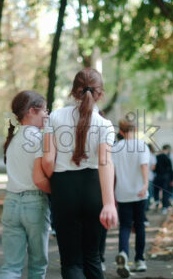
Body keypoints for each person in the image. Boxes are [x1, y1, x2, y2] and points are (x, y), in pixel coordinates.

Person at [42, 68, 118, 279]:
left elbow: (48, 160)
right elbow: (105, 162)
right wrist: (109, 203)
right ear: (100, 95)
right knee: (92, 258)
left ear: (73, 92)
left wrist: (54, 183)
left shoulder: (55, 117)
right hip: (94, 189)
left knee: (71, 262)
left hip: (64, 189)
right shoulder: (105, 125)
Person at [0, 90, 51, 279]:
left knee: (11, 266)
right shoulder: (38, 139)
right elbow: (40, 178)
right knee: (37, 266)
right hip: (34, 204)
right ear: (31, 111)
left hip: (11, 204)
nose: (47, 115)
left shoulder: (12, 140)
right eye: (45, 110)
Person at [112, 119, 150, 277]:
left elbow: (112, 172)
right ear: (135, 130)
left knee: (125, 226)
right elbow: (144, 166)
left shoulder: (115, 148)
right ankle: (140, 260)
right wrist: (145, 184)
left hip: (122, 193)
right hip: (139, 193)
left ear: (120, 131)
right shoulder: (142, 146)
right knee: (140, 225)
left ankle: (123, 254)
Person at [153, 144, 173, 214]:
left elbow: (154, 168)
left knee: (156, 190)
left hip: (158, 176)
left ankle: (157, 201)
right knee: (165, 192)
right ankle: (164, 207)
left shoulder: (156, 157)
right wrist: (172, 179)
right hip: (166, 177)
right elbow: (171, 169)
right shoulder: (168, 158)